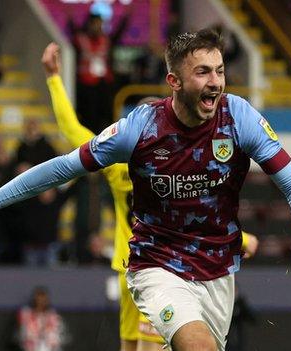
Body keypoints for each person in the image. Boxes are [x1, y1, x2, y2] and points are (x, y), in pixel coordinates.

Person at [0, 29, 291, 351]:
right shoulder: (140, 130)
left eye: (220, 71)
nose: (215, 83)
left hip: (217, 270)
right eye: (203, 73)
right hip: (156, 264)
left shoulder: (238, 117)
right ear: (174, 81)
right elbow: (63, 166)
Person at [42, 42, 260, 351]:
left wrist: (53, 78)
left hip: (128, 268)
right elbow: (192, 212)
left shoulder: (115, 167)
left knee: (131, 345)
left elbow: (70, 127)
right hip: (164, 267)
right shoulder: (172, 161)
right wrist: (244, 239)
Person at [16, 286, 67, 351]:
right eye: (39, 299)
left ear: (47, 300)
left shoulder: (53, 316)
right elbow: (23, 335)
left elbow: (60, 337)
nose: (41, 302)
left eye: (44, 299)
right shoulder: (26, 315)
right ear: (34, 299)